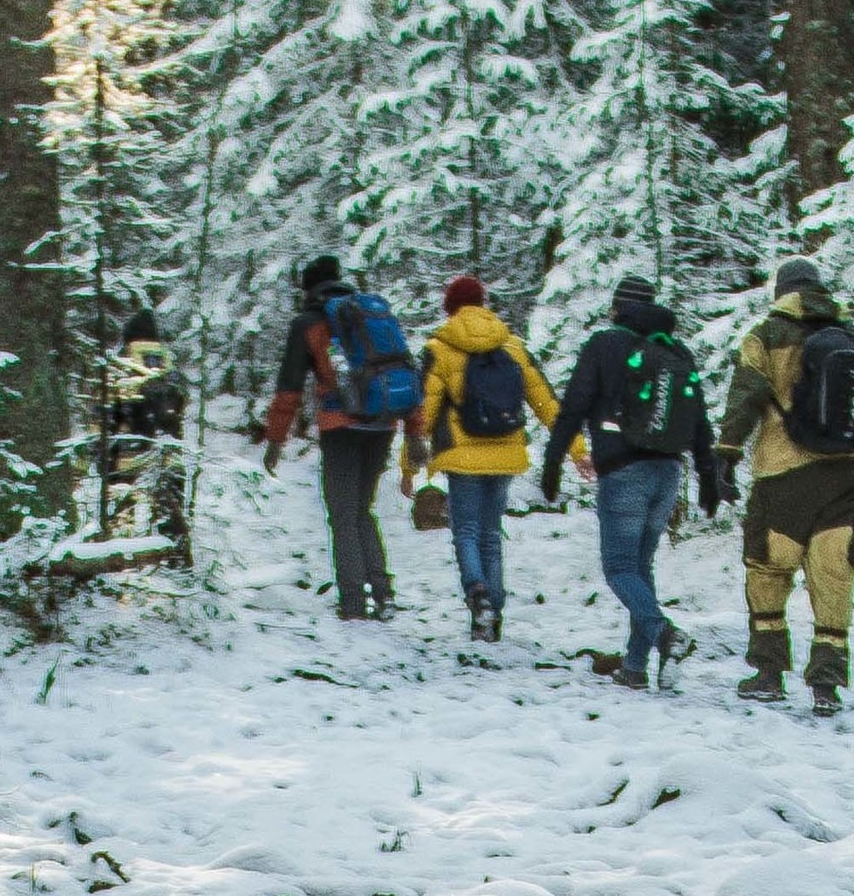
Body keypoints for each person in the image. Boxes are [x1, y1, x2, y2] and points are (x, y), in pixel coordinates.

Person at [715, 258, 854, 717]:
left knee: (769, 568)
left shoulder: (768, 333)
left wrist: (726, 452)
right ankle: (827, 679)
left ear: (781, 292)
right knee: (834, 571)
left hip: (783, 473)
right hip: (846, 472)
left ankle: (769, 672)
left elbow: (746, 394)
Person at [545, 275, 722, 692]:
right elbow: (698, 418)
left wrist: (553, 460)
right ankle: (636, 668)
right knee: (640, 570)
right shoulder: (674, 351)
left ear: (616, 307)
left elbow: (574, 406)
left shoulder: (604, 345)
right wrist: (708, 475)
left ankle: (665, 634)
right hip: (668, 472)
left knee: (620, 570)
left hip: (624, 471)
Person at [262, 256, 428, 621]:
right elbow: (401, 368)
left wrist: (275, 440)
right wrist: (415, 432)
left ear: (308, 289)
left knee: (341, 514)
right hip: (382, 423)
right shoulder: (370, 316)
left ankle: (353, 602)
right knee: (362, 509)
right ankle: (383, 594)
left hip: (341, 426)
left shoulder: (308, 323)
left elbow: (289, 388)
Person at [421, 275, 584, 642]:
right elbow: (547, 403)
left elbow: (425, 411)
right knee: (491, 535)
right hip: (506, 453)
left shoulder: (441, 347)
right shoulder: (512, 346)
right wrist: (578, 450)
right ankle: (492, 620)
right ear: (484, 304)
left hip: (461, 456)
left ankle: (478, 596)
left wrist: (408, 463)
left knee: (465, 532)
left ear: (450, 306)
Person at [100, 308, 189, 547]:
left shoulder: (121, 367)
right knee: (172, 516)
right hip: (170, 458)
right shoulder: (172, 371)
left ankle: (125, 561)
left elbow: (106, 415)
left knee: (123, 520)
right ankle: (175, 557)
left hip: (129, 460)